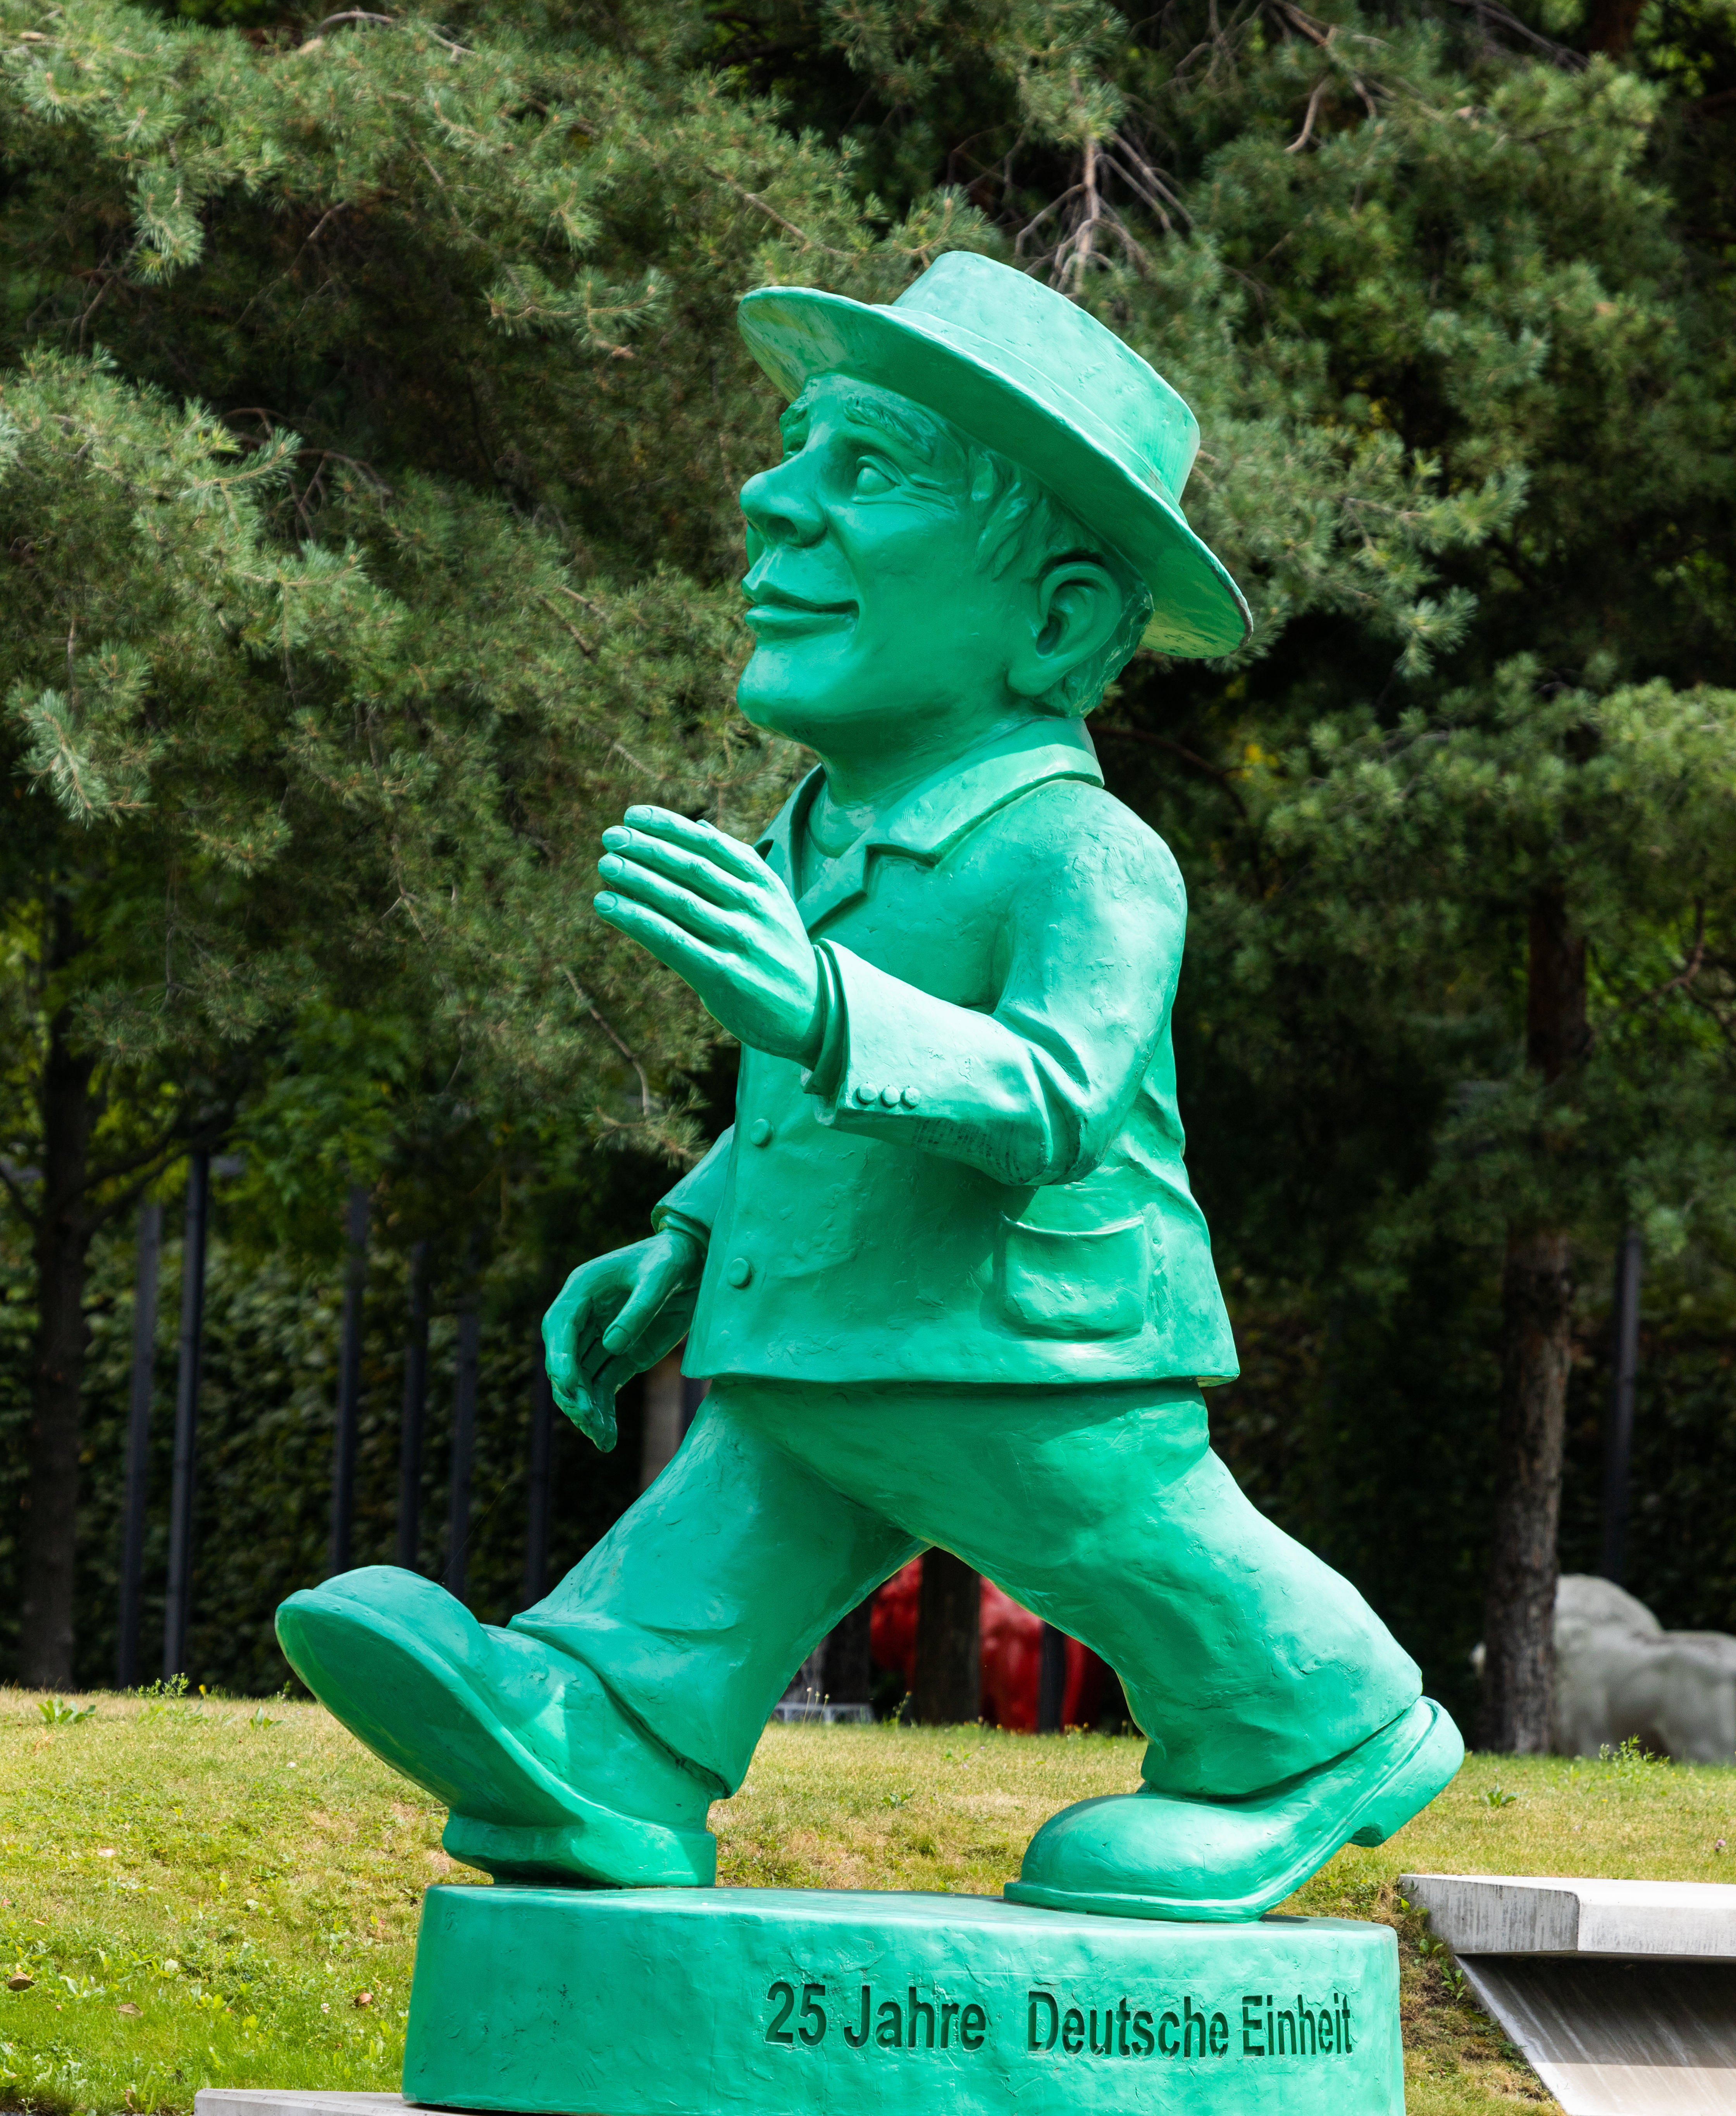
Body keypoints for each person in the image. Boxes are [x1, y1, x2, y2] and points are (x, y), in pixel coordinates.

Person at [277, 253, 1461, 1920]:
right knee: (756, 1492)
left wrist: (821, 1000)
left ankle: (1316, 1724)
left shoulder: (1080, 853)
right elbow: (792, 1097)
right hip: (829, 1331)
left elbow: (1057, 1097)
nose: (772, 502)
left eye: (871, 469)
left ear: (1057, 620)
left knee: (1121, 1532)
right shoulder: (815, 834)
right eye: (794, 452)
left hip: (1024, 1344)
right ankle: (608, 1737)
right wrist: (690, 1235)